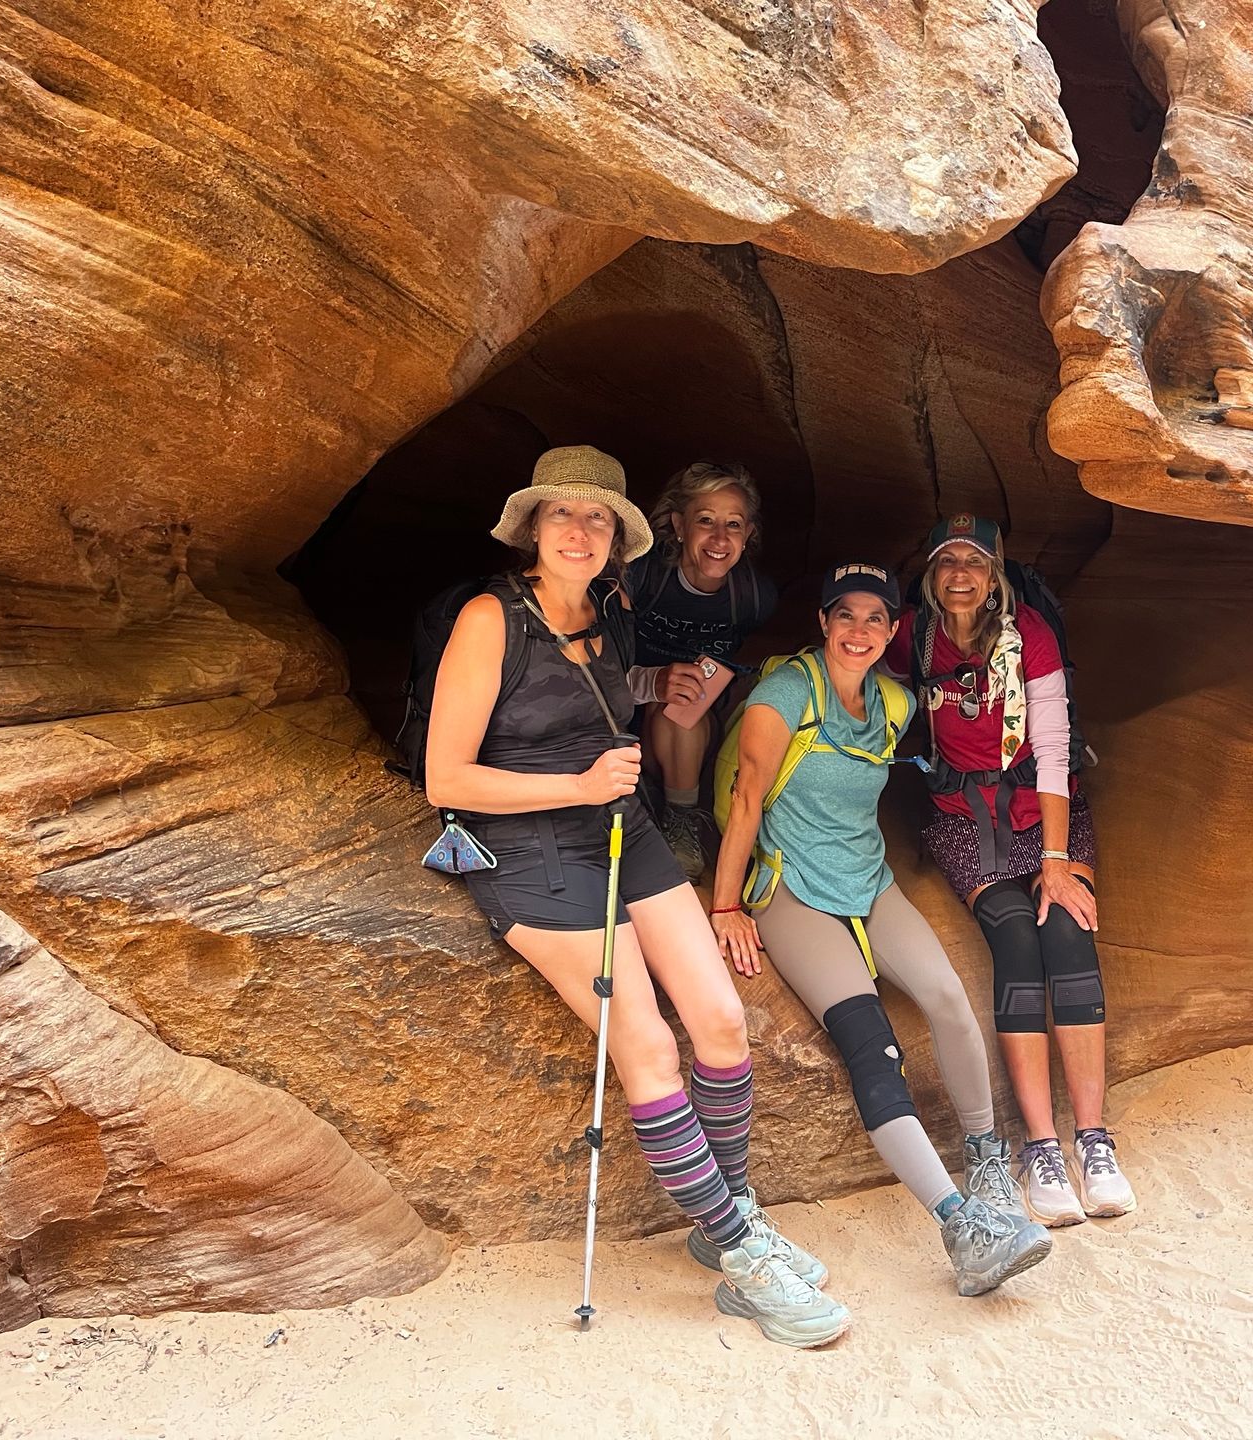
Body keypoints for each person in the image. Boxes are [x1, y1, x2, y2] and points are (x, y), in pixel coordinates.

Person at [426, 444, 847, 1348]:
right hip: (529, 844)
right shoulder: (489, 619)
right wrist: (578, 786)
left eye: (596, 519)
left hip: (619, 827)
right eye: (561, 515)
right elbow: (445, 778)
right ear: (533, 529)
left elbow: (614, 697)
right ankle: (743, 1255)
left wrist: (671, 690)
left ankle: (728, 1216)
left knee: (723, 1021)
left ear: (619, 539)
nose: (578, 532)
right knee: (650, 1044)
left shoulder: (610, 614)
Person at [709, 560, 1052, 1297]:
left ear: (894, 630)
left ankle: (986, 1158)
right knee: (873, 1043)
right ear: (824, 623)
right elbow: (745, 802)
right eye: (845, 615)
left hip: (868, 878)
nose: (858, 630)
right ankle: (961, 1224)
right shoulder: (783, 697)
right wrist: (725, 906)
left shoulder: (894, 704)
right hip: (793, 888)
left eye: (875, 618)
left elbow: (973, 736)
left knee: (949, 998)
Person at [890, 514, 1136, 1225]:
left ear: (996, 571)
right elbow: (862, 678)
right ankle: (1040, 1145)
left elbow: (1054, 746)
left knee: (1067, 932)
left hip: (1047, 811)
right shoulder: (916, 637)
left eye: (974, 561)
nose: (960, 575)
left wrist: (1057, 863)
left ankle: (1092, 1137)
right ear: (932, 575)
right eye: (947, 562)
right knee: (1014, 937)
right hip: (965, 819)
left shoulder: (1029, 631)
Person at [626, 463, 778, 881]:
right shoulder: (642, 576)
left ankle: (682, 818)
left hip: (694, 734)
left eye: (733, 524)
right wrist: (652, 682)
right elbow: (592, 662)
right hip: (623, 722)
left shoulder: (751, 597)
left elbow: (756, 664)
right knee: (670, 700)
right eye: (705, 521)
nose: (719, 538)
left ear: (748, 535)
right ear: (678, 525)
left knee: (683, 706)